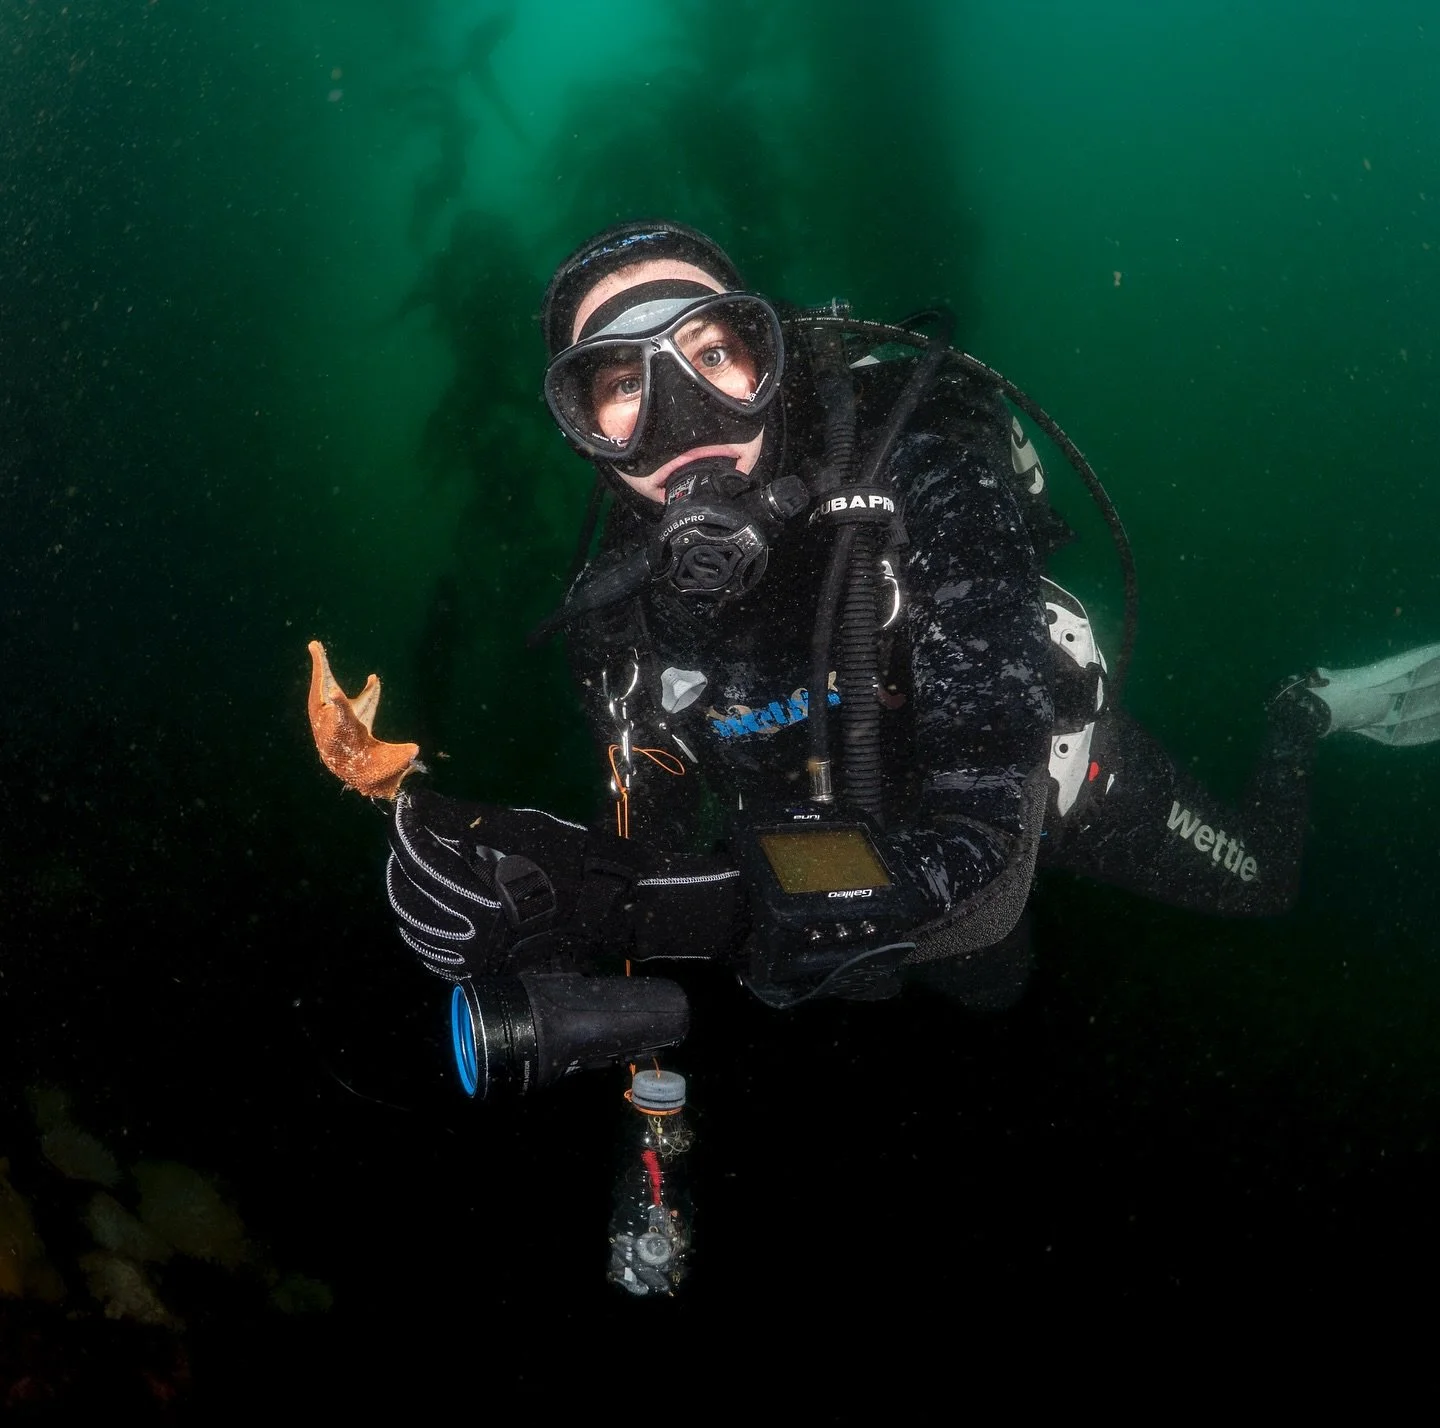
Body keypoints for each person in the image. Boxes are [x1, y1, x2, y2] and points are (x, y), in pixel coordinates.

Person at [379, 218, 1440, 1058]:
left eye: (713, 353)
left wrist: (654, 912)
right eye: (622, 384)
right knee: (943, 993)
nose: (684, 414)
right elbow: (648, 852)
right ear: (584, 432)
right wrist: (533, 890)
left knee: (1240, 889)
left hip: (1042, 790)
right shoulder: (617, 617)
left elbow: (981, 869)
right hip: (823, 859)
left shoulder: (924, 476)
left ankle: (1303, 712)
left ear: (769, 360)